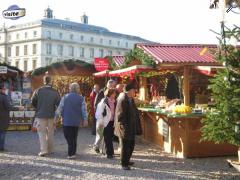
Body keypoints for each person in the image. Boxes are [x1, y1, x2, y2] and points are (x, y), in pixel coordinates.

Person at [55, 83, 88, 159]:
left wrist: (56, 118)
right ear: (78, 89)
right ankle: (73, 151)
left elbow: (60, 108)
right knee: (74, 136)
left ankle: (71, 154)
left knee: (68, 137)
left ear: (70, 88)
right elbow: (84, 110)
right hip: (76, 121)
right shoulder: (81, 98)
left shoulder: (65, 97)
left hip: (66, 120)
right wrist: (85, 119)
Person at [114, 83, 142, 170]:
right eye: (134, 90)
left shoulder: (130, 99)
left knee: (131, 145)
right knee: (125, 146)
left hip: (131, 126)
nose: (135, 92)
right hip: (125, 127)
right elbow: (120, 116)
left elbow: (133, 110)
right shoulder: (123, 99)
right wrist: (124, 127)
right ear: (130, 91)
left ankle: (127, 160)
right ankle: (124, 164)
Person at [31, 75, 60, 157]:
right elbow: (59, 104)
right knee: (50, 133)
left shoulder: (38, 91)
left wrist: (39, 107)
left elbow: (32, 102)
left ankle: (44, 150)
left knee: (41, 133)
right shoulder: (55, 92)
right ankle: (50, 150)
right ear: (51, 82)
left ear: (44, 81)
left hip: (40, 115)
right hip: (51, 115)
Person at [93, 79, 116, 153]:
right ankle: (96, 146)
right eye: (111, 86)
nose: (112, 87)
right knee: (100, 134)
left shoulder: (115, 92)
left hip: (110, 119)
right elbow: (96, 104)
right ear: (107, 85)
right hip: (102, 117)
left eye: (113, 86)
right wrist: (101, 114)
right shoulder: (101, 92)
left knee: (107, 135)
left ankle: (106, 150)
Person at [0, 84, 11, 152]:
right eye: (3, 89)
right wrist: (18, 108)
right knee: (2, 133)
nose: (5, 90)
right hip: (3, 117)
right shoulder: (4, 97)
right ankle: (1, 148)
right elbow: (8, 107)